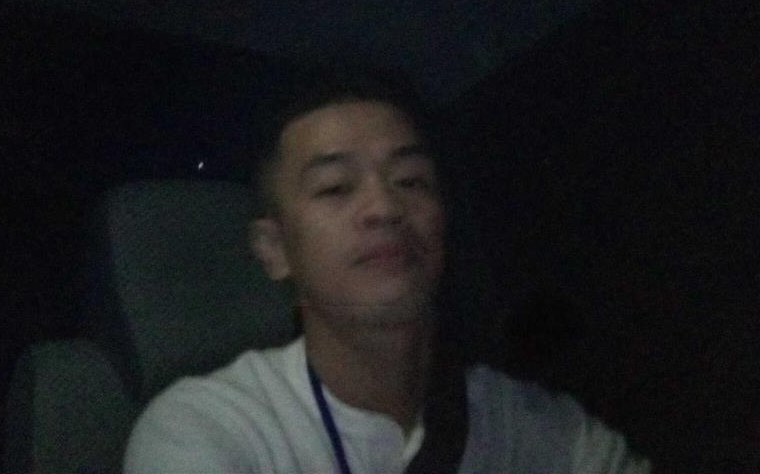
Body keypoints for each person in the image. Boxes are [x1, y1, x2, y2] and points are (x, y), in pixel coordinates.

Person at [123, 66, 652, 473]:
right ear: (275, 248)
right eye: (335, 187)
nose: (385, 208)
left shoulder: (537, 427)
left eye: (411, 181)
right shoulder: (210, 429)